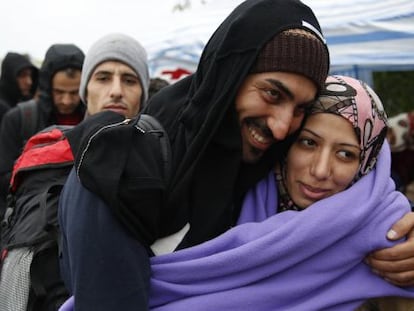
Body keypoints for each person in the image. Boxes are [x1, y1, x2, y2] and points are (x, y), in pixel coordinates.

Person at [59, 0, 330, 310]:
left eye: (300, 109)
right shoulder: (119, 167)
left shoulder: (273, 170)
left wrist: (395, 234)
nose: (282, 128)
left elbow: (353, 200)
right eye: (272, 93)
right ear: (229, 76)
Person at [59, 75, 414, 310]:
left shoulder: (389, 238)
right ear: (286, 140)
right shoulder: (229, 194)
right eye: (307, 142)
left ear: (366, 164)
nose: (321, 170)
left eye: (346, 154)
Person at [0, 33, 150, 311]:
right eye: (103, 78)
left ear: (144, 92)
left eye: (130, 80)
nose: (116, 90)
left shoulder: (166, 156)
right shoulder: (45, 148)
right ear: (88, 89)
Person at [0, 44, 85, 217]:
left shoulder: (92, 122)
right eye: (59, 92)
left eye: (74, 93)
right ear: (47, 86)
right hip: (27, 223)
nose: (67, 101)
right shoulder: (19, 119)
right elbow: (3, 178)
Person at [0, 52, 39, 123]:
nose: (29, 82)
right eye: (23, 76)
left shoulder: (24, 102)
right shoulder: (3, 109)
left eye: (30, 76)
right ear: (9, 77)